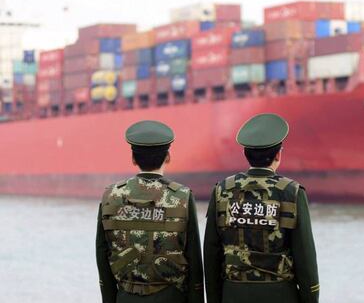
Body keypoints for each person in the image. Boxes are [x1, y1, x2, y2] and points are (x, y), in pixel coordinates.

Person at [204, 113, 319, 303]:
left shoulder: (222, 190)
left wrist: (216, 298)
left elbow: (211, 252)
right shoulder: (292, 193)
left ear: (245, 154)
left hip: (233, 294)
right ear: (278, 154)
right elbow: (305, 256)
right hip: (281, 295)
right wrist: (311, 298)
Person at [96, 120, 204, 303]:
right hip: (172, 297)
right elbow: (193, 258)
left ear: (133, 159)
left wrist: (111, 299)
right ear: (168, 157)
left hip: (126, 296)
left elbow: (102, 253)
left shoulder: (111, 195)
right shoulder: (182, 197)